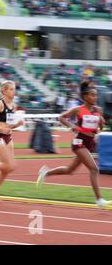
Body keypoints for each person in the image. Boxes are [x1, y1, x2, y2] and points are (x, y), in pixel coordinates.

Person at [36, 81, 111, 209]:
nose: (95, 97)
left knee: (70, 170)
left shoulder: (97, 110)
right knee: (94, 169)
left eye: (96, 95)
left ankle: (45, 173)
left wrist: (101, 121)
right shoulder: (78, 110)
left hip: (89, 143)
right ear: (85, 97)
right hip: (79, 142)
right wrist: (72, 126)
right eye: (92, 95)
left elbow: (100, 127)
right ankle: (99, 200)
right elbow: (61, 117)